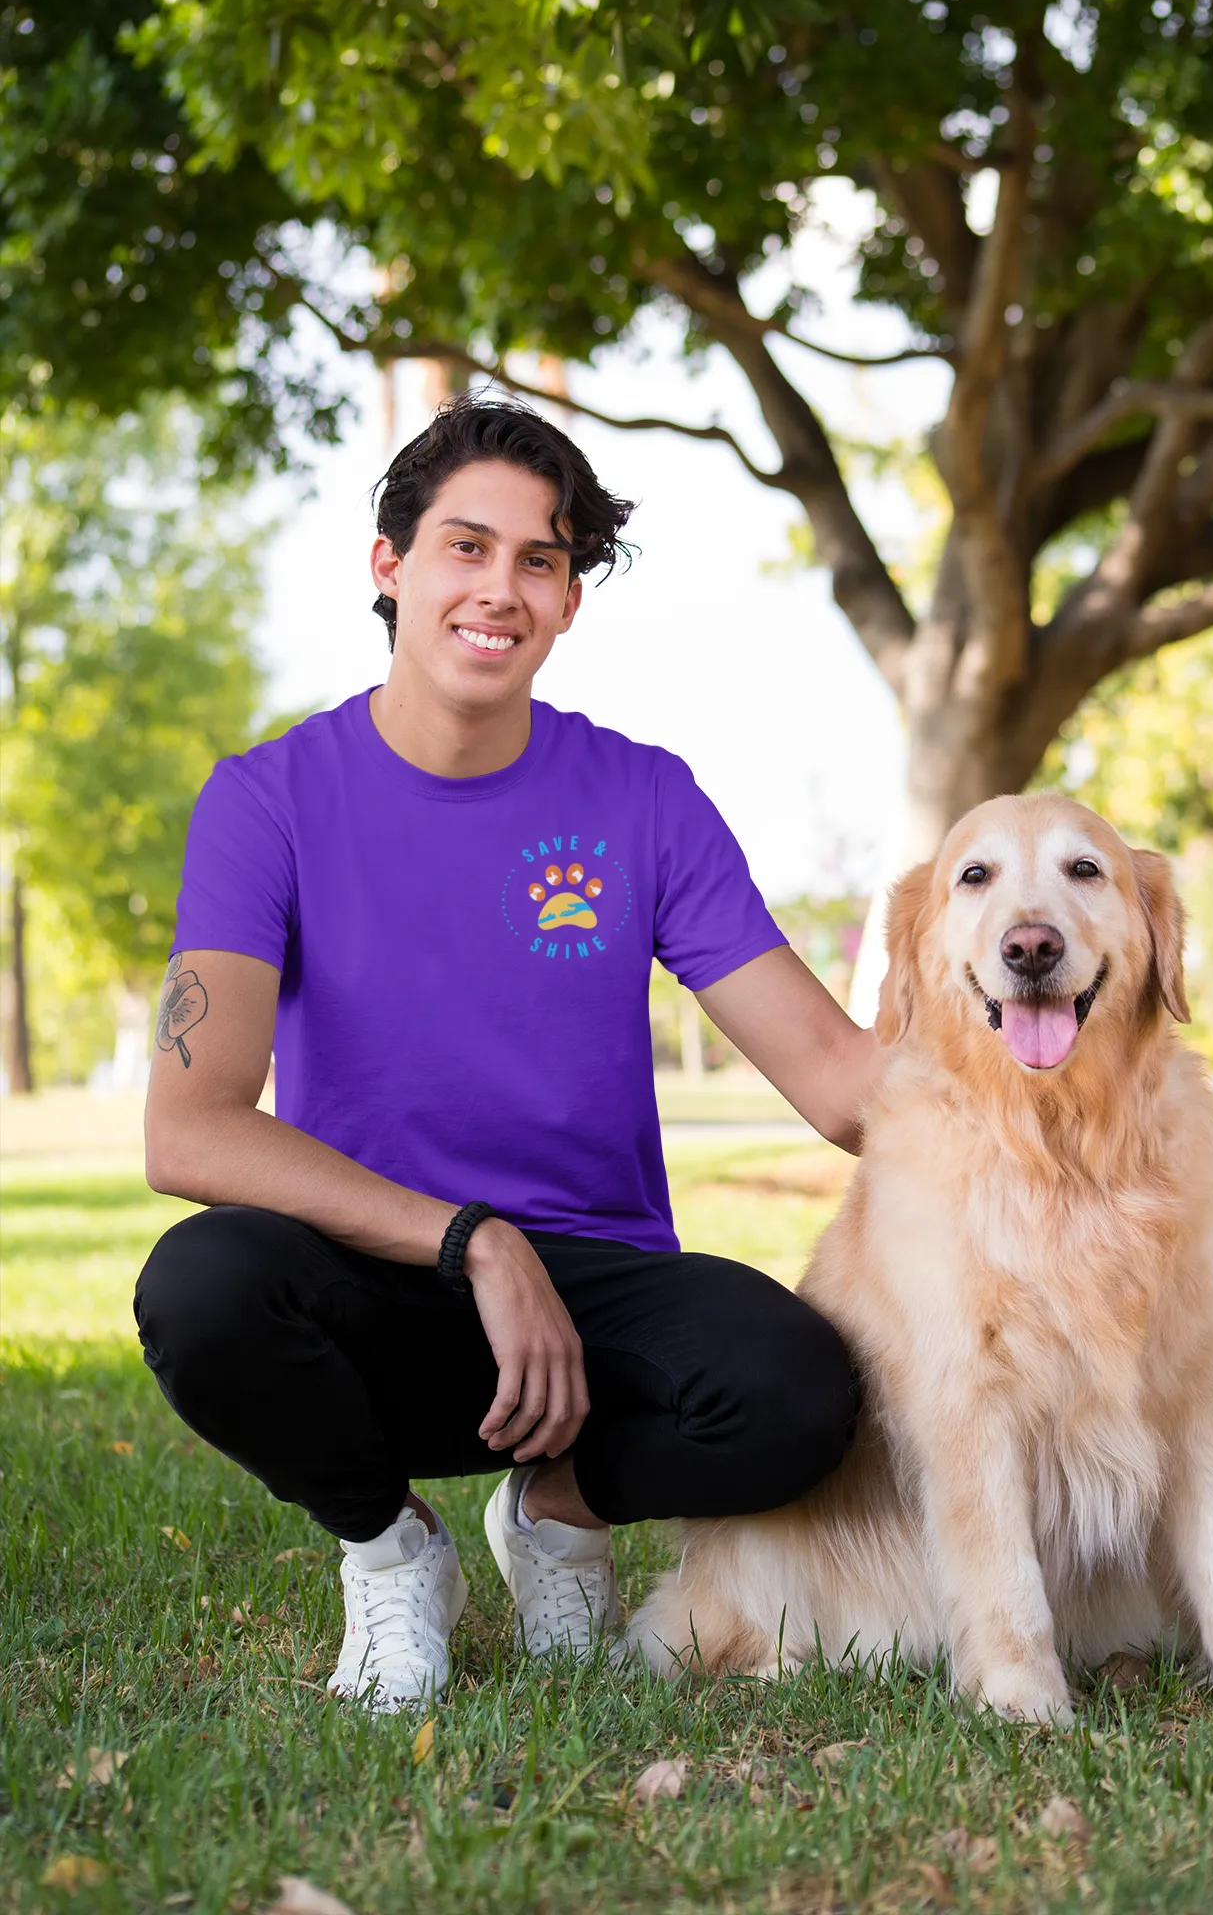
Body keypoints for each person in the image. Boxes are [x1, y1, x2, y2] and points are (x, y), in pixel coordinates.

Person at [136, 395, 879, 1711]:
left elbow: (836, 1078)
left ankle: (557, 1507)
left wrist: (1050, 1055)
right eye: (466, 548)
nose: (502, 589)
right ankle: (391, 1544)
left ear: (572, 599)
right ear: (391, 566)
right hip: (375, 1277)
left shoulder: (644, 797)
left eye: (542, 560)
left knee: (799, 1394)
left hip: (590, 1311)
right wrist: (473, 1238)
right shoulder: (267, 801)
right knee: (202, 1288)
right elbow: (189, 1130)